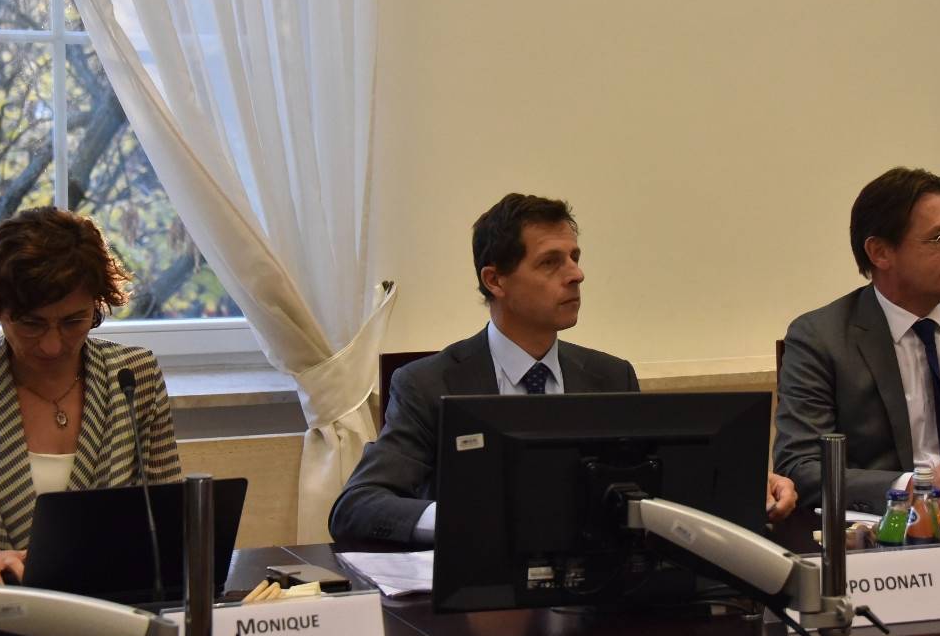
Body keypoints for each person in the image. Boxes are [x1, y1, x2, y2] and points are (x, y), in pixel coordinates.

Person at [329, 193, 798, 548]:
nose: (575, 274)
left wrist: (743, 486)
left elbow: (655, 489)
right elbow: (358, 505)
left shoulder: (610, 378)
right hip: (479, 607)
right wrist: (464, 521)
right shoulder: (430, 383)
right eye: (551, 262)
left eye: (574, 258)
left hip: (596, 596)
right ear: (495, 280)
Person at [0, 207, 180, 584]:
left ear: (97, 306)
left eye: (72, 321)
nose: (52, 345)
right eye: (31, 324)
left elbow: (170, 520)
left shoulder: (134, 377)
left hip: (111, 601)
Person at [774, 167, 940, 516]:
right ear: (880, 253)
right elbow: (801, 468)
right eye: (938, 238)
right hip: (883, 533)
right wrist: (916, 486)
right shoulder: (820, 339)